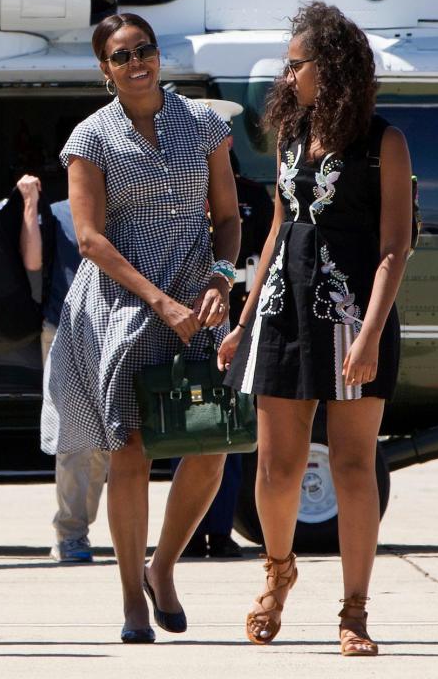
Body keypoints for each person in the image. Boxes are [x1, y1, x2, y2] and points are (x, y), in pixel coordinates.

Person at [219, 1, 412, 657]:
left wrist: (367, 335)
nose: (286, 73)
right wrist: (244, 320)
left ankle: (354, 611)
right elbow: (277, 226)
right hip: (282, 312)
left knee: (356, 464)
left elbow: (395, 248)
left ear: (329, 69)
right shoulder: (290, 137)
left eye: (295, 63)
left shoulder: (383, 141)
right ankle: (277, 574)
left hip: (356, 316)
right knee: (274, 466)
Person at [41, 13, 241, 642]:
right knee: (127, 451)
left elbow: (230, 216)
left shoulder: (206, 123)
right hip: (121, 305)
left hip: (198, 298)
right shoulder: (90, 137)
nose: (136, 64)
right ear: (105, 69)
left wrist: (220, 277)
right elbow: (91, 238)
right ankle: (132, 598)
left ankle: (163, 567)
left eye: (144, 51)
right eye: (121, 57)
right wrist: (162, 303)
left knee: (210, 447)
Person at [184, 99, 273, 560]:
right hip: (190, 320)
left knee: (228, 430)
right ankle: (194, 532)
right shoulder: (177, 193)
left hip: (234, 322)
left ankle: (217, 532)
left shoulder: (253, 198)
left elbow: (261, 261)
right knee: (190, 427)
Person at [17, 174, 108, 563]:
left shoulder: (120, 211)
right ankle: (71, 533)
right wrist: (29, 206)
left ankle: (80, 526)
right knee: (73, 436)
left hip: (112, 329)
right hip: (62, 328)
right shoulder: (56, 214)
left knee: (106, 443)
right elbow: (33, 261)